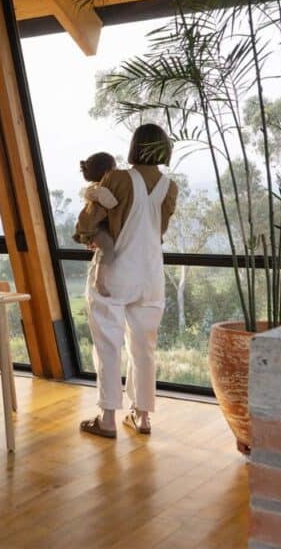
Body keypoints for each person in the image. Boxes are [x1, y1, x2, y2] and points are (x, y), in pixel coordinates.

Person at [76, 124, 177, 438]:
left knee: (108, 345)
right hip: (151, 276)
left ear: (135, 146)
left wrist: (90, 235)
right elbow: (159, 230)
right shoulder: (169, 187)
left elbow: (86, 223)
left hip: (115, 273)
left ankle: (107, 419)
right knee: (144, 347)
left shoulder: (117, 179)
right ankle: (142, 417)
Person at [73, 152, 118, 298]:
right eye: (114, 168)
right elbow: (112, 203)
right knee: (108, 249)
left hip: (95, 227)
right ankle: (99, 282)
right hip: (95, 229)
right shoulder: (98, 190)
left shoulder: (97, 189)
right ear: (107, 171)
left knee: (106, 249)